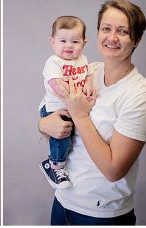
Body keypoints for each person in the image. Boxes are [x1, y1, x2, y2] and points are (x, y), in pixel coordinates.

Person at [38, 0, 146, 225]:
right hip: (62, 203)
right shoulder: (86, 71)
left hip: (101, 216)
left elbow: (114, 170)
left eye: (122, 31)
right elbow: (50, 115)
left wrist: (81, 116)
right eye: (106, 29)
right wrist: (43, 125)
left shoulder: (140, 96)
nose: (112, 37)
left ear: (137, 40)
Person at [39, 15, 91, 189]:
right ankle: (54, 166)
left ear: (84, 43)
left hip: (72, 108)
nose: (69, 45)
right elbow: (56, 85)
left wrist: (89, 85)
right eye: (63, 41)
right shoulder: (53, 62)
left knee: (72, 141)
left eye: (75, 42)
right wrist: (74, 98)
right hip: (55, 110)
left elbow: (88, 75)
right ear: (52, 42)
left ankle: (59, 163)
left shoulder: (83, 60)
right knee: (62, 139)